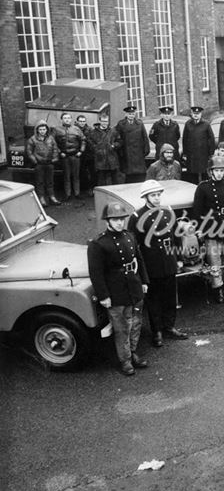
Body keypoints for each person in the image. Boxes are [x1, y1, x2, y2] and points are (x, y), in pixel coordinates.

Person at [88, 201, 148, 376]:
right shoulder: (99, 244)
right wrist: (103, 296)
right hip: (115, 292)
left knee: (136, 322)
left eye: (121, 219)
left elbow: (139, 259)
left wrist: (144, 280)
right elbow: (96, 273)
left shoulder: (130, 236)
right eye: (115, 220)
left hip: (134, 287)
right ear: (107, 221)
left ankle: (133, 352)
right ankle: (126, 360)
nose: (119, 223)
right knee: (121, 327)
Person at [128, 180, 190, 348]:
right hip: (151, 264)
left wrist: (178, 258)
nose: (156, 198)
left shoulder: (168, 211)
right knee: (154, 300)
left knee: (170, 297)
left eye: (158, 195)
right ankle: (157, 332)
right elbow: (134, 245)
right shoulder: (137, 216)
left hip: (168, 261)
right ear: (145, 197)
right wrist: (140, 270)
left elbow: (176, 236)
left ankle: (169, 327)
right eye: (153, 195)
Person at [191, 155, 224, 303]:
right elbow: (197, 211)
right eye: (217, 170)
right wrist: (199, 229)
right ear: (210, 171)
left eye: (222, 170)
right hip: (212, 228)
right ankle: (218, 288)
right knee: (215, 260)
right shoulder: (203, 187)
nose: (220, 173)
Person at [26, 122, 60, 206]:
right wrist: (35, 161)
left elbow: (55, 149)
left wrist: (54, 159)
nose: (42, 131)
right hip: (39, 164)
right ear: (37, 130)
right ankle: (41, 198)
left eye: (44, 129)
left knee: (50, 181)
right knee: (40, 182)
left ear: (47, 130)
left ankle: (52, 197)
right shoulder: (32, 139)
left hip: (49, 163)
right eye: (40, 129)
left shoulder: (51, 138)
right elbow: (29, 152)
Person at [55, 111, 87, 199]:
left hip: (75, 156)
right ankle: (68, 194)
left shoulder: (76, 129)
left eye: (68, 118)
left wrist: (81, 151)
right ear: (61, 119)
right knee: (66, 176)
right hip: (65, 156)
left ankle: (77, 193)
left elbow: (83, 140)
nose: (67, 120)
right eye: (65, 118)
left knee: (76, 176)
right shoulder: (57, 129)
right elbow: (53, 143)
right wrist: (59, 152)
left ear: (71, 119)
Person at [115, 104, 150, 183]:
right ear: (126, 114)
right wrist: (120, 152)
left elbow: (145, 137)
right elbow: (117, 138)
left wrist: (145, 151)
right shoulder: (121, 124)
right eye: (129, 114)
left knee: (140, 176)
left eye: (133, 114)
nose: (131, 115)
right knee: (128, 176)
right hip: (127, 154)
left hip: (138, 154)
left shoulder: (140, 124)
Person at [181, 105, 216, 184]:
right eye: (194, 113)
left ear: (201, 114)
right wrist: (185, 153)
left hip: (203, 154)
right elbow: (185, 139)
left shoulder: (206, 124)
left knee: (204, 173)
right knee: (192, 174)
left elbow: (211, 139)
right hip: (192, 155)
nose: (196, 115)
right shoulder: (188, 124)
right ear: (192, 114)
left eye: (198, 113)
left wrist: (211, 153)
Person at [87, 113, 120, 189]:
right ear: (100, 121)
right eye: (103, 121)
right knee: (101, 179)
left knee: (114, 179)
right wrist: (96, 148)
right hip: (100, 159)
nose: (105, 123)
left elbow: (119, 141)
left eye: (106, 121)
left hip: (112, 158)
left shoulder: (113, 131)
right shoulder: (94, 132)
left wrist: (114, 145)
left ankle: (115, 194)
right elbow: (89, 142)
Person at [75, 114, 96, 196]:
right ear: (77, 121)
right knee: (80, 172)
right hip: (78, 154)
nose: (82, 123)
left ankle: (91, 188)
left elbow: (92, 140)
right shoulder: (74, 129)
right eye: (80, 121)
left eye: (83, 121)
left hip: (89, 154)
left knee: (92, 172)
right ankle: (81, 189)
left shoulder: (90, 129)